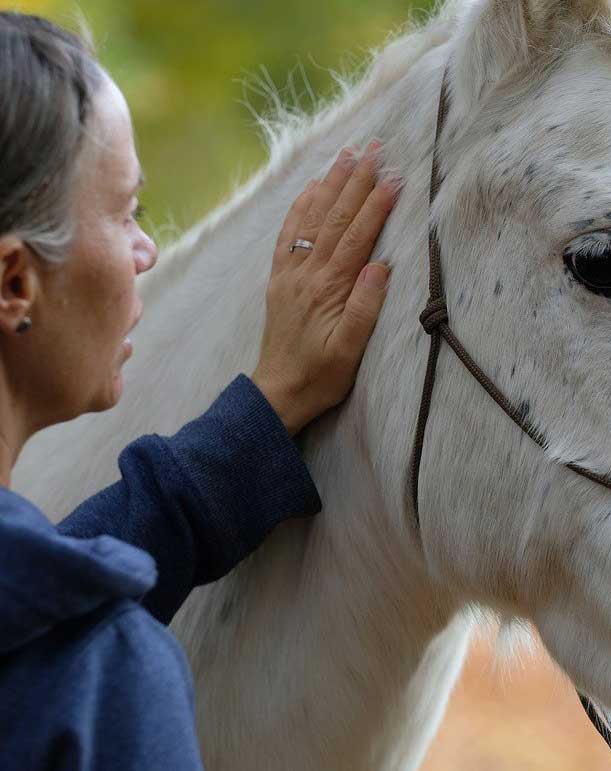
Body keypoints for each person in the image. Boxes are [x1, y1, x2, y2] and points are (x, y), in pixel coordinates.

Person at [0, 12, 400, 768]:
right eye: (126, 213)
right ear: (16, 282)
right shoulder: (105, 686)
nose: (146, 251)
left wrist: (262, 416)